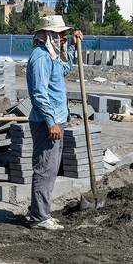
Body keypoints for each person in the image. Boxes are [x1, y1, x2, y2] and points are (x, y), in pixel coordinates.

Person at [25, 15, 83, 230]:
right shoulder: (40, 58)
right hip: (46, 122)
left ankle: (38, 212)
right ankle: (40, 218)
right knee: (45, 169)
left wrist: (73, 48)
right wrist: (51, 122)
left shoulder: (52, 56)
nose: (63, 36)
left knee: (49, 168)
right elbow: (39, 94)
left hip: (56, 119)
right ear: (49, 35)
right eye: (61, 34)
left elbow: (64, 70)